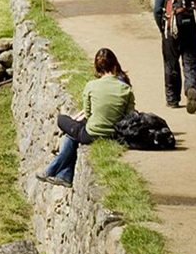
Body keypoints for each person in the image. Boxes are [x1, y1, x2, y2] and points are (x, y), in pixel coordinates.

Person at [38, 48, 135, 186]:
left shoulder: (91, 86)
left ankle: (52, 170)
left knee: (64, 123)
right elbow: (130, 115)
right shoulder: (126, 88)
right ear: (115, 66)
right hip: (116, 134)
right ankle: (65, 175)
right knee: (73, 134)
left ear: (97, 68)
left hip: (92, 133)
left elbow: (88, 115)